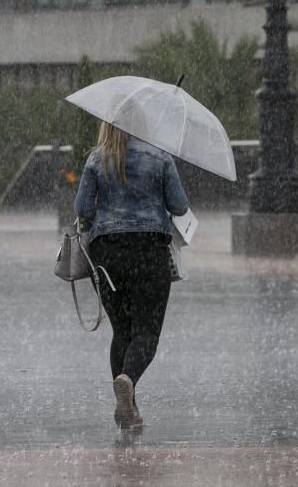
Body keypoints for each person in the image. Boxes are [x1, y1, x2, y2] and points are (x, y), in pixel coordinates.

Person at [74, 121, 189, 429]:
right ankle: (128, 379)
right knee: (147, 331)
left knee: (122, 331)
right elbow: (179, 206)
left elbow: (82, 208)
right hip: (149, 250)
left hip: (107, 252)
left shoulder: (97, 158)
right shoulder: (160, 157)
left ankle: (129, 409)